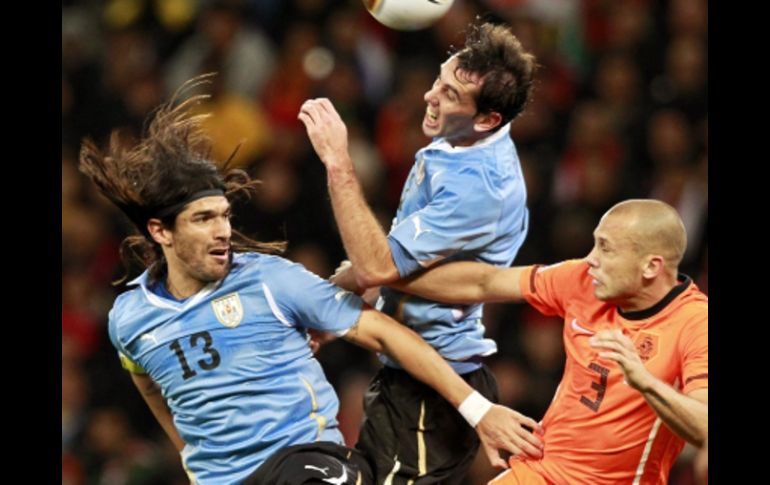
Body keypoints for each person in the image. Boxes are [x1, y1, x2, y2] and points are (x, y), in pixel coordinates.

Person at [77, 76, 543, 485]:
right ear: (161, 232)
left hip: (305, 463)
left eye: (224, 215)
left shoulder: (270, 282)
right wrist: (188, 455)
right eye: (203, 219)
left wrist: (478, 410)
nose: (223, 231)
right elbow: (148, 383)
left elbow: (387, 333)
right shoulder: (129, 319)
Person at [299, 20, 538, 483]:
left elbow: (377, 266)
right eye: (439, 79)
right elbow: (386, 267)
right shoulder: (461, 138)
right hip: (409, 376)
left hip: (433, 392)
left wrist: (337, 161)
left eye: (450, 95)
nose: (431, 96)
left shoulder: (480, 188)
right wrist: (330, 307)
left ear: (489, 118)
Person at [392, 199, 708, 485]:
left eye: (606, 248)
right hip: (542, 471)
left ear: (651, 266)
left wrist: (646, 383)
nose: (591, 259)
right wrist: (389, 274)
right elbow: (484, 281)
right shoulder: (582, 281)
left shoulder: (695, 322)